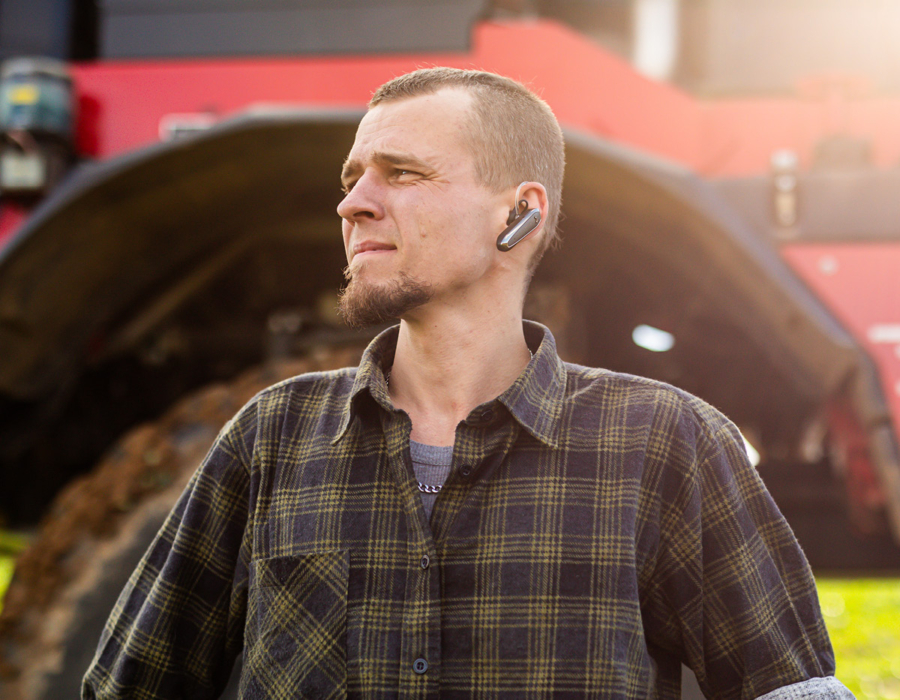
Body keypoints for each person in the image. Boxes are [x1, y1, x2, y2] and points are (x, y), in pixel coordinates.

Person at [83, 67, 853, 699]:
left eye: (403, 173)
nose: (353, 204)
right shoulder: (272, 438)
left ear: (518, 214)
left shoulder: (663, 444)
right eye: (352, 180)